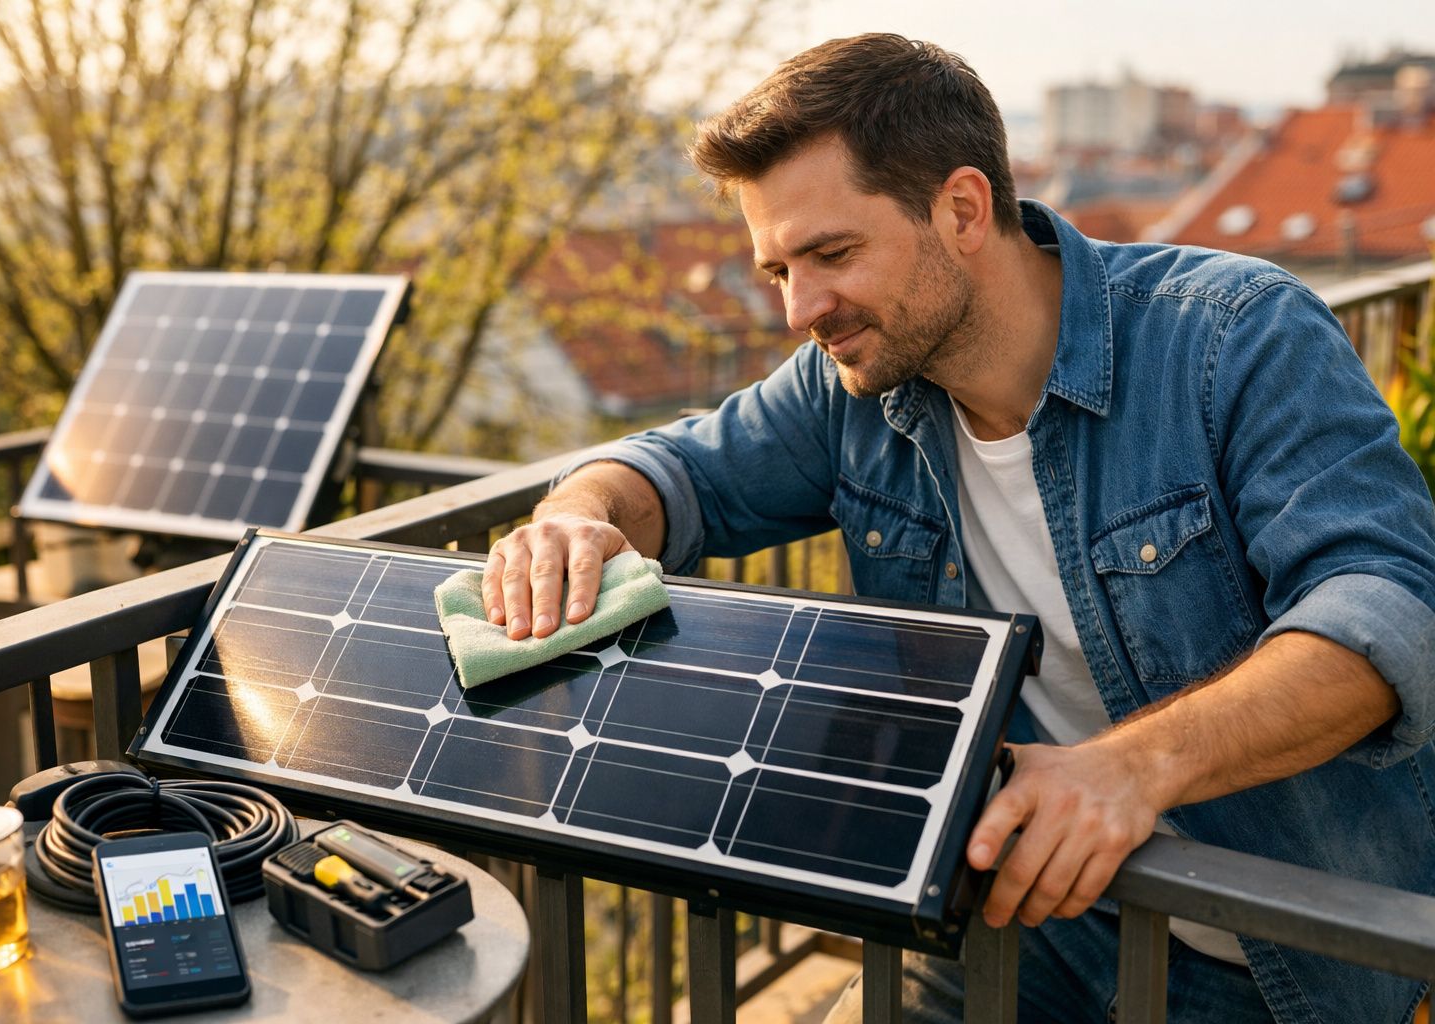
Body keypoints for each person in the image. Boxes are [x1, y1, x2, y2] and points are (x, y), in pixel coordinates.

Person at [481, 33, 1435, 1024]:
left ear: (965, 210)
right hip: (1022, 915)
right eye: (777, 270)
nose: (801, 308)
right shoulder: (849, 385)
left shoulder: (1234, 336)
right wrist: (575, 516)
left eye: (832, 253)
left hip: (1291, 958)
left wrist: (1132, 768)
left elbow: (1389, 615)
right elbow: (675, 471)